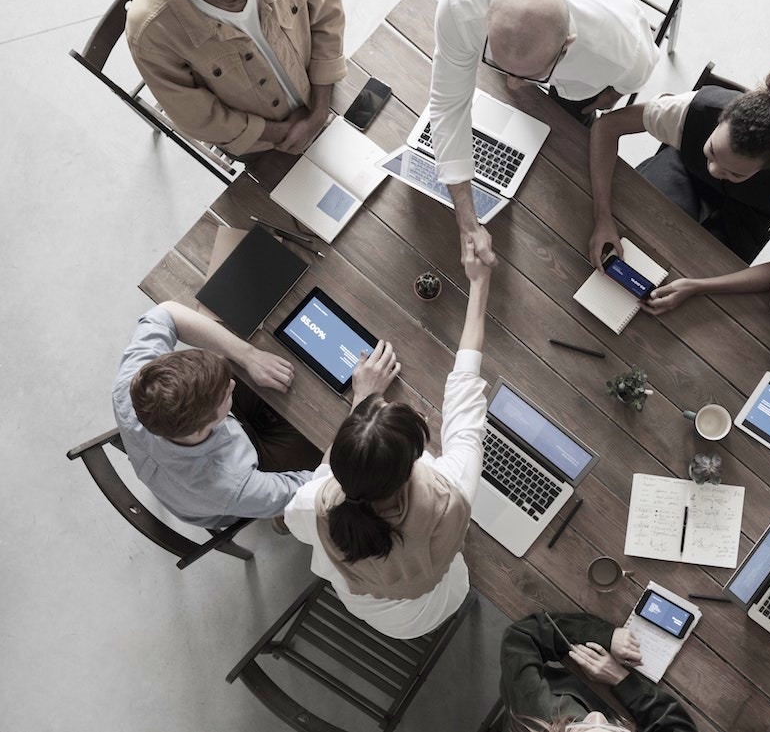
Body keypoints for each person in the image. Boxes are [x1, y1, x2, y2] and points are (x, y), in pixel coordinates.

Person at [285, 242, 494, 638]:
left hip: (381, 617)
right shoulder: (451, 492)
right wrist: (480, 285)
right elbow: (466, 395)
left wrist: (360, 401)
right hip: (438, 601)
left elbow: (313, 496)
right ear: (412, 465)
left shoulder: (314, 504)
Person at [431, 0, 659, 266]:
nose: (510, 84)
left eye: (527, 75)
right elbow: (448, 106)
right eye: (499, 64)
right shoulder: (459, 6)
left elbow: (629, 81)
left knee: (572, 137)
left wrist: (604, 99)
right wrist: (467, 220)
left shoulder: (621, 52)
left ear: (567, 45)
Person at [590, 62, 770, 312]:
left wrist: (698, 286)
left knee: (703, 278)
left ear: (768, 167)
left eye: (735, 172)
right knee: (636, 228)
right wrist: (602, 216)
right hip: (685, 170)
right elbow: (606, 127)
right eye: (712, 151)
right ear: (720, 120)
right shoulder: (691, 110)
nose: (714, 170)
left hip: (748, 211)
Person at [127, 0, 346, 156]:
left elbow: (327, 14)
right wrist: (283, 133)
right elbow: (197, 117)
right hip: (262, 146)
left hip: (325, 92)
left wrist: (318, 113)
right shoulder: (150, 32)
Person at [112, 301, 320, 530]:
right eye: (226, 393)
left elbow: (166, 311)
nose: (231, 383)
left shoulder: (135, 384)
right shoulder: (230, 486)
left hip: (187, 464)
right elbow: (316, 491)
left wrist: (249, 356)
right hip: (230, 492)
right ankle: (282, 520)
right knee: (326, 445)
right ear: (205, 426)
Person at [500, 611, 698, 732]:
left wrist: (604, 636)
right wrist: (621, 679)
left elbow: (521, 638)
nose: (596, 716)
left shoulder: (535, 712)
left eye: (580, 729)